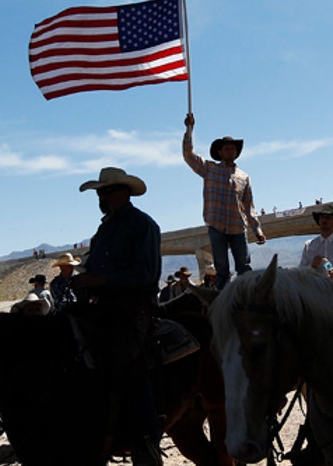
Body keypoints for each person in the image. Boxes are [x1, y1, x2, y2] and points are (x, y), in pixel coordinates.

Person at [70, 166, 163, 466]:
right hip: (102, 306)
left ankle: (147, 440)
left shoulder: (143, 225)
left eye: (106, 191)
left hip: (134, 306)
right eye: (100, 192)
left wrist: (101, 281)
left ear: (123, 192)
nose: (102, 197)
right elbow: (93, 266)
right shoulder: (103, 231)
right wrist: (84, 281)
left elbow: (147, 272)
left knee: (128, 357)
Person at [182, 113, 266, 290]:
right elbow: (189, 155)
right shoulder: (209, 169)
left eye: (232, 148)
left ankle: (247, 296)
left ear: (236, 152)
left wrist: (256, 229)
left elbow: (249, 206)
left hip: (238, 226)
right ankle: (222, 302)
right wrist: (189, 129)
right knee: (222, 270)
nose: (230, 151)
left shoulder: (244, 177)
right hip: (216, 225)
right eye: (226, 148)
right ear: (219, 152)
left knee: (244, 267)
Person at [299, 204, 333, 282]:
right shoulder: (309, 245)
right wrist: (312, 266)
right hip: (315, 290)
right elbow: (300, 272)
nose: (324, 220)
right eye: (322, 217)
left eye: (328, 218)